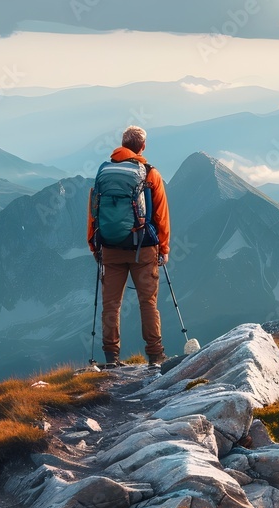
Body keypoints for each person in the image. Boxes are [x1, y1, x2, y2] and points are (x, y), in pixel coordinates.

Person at [87, 126, 171, 368]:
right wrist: (163, 248)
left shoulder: (104, 172)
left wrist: (94, 245)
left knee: (111, 304)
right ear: (142, 147)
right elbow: (161, 215)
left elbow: (94, 211)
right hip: (143, 248)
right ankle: (155, 355)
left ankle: (111, 358)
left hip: (110, 248)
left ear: (122, 145)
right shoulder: (149, 173)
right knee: (148, 302)